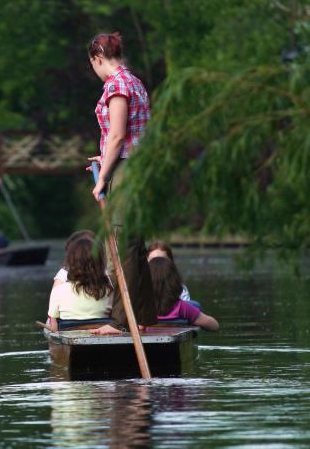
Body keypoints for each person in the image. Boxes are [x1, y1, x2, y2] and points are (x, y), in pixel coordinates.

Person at [86, 32, 157, 335]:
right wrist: (103, 157)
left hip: (126, 170)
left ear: (98, 58)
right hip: (139, 167)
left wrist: (102, 178)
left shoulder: (116, 86)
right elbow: (130, 135)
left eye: (93, 64)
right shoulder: (136, 82)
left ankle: (120, 321)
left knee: (121, 244)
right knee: (135, 245)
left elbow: (116, 136)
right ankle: (144, 316)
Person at [47, 238, 113, 331]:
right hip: (101, 330)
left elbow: (54, 328)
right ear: (99, 263)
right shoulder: (109, 289)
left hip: (68, 330)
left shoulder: (58, 290)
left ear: (71, 262)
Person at [149, 257, 219, 331]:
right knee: (195, 305)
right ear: (174, 281)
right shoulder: (181, 307)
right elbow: (215, 326)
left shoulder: (141, 308)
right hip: (183, 316)